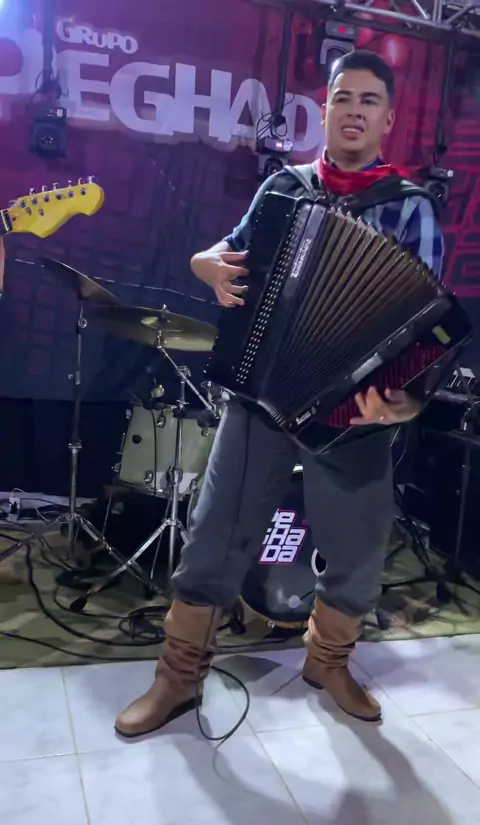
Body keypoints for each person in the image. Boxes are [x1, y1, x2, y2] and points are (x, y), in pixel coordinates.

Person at [115, 50, 444, 737]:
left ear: (387, 119)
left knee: (357, 554)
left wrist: (406, 401)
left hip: (355, 416)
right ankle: (178, 678)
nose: (354, 110)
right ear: (324, 111)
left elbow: (426, 326)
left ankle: (329, 664)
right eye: (343, 97)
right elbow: (222, 255)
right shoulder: (282, 190)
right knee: (213, 535)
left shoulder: (411, 208)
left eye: (369, 100)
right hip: (263, 395)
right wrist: (204, 264)